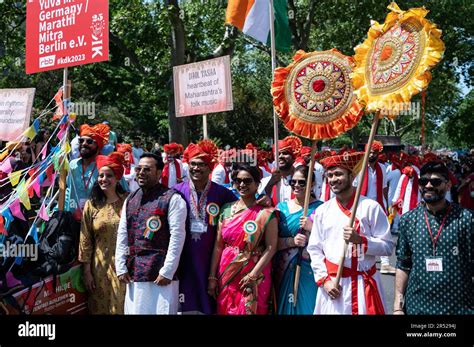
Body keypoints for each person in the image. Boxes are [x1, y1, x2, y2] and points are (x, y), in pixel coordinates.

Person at [307, 151, 394, 314]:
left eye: (338, 174)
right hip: (333, 285)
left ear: (352, 176)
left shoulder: (370, 207)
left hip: (363, 283)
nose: (333, 179)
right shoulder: (322, 211)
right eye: (330, 175)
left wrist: (361, 241)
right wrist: (324, 280)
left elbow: (388, 246)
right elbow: (314, 249)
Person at [393, 161, 474, 315]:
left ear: (448, 185)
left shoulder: (466, 219)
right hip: (417, 307)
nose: (428, 186)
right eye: (423, 181)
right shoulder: (408, 220)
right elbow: (403, 264)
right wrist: (398, 306)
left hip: (459, 308)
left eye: (435, 182)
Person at [115, 153, 187, 314]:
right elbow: (122, 234)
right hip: (134, 272)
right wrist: (120, 266)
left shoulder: (172, 199)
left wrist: (168, 270)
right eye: (138, 168)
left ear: (159, 172)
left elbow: (177, 237)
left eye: (147, 169)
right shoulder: (131, 199)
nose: (141, 172)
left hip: (161, 275)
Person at [174, 140, 237, 314]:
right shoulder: (176, 191)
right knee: (185, 301)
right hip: (184, 257)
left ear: (209, 168)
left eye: (201, 164)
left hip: (211, 258)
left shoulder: (223, 193)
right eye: (192, 164)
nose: (196, 168)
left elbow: (242, 212)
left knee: (209, 303)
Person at [208, 164, 278, 315]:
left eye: (247, 181)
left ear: (258, 183)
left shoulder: (266, 213)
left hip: (254, 271)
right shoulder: (226, 209)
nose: (241, 184)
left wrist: (254, 274)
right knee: (226, 308)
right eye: (237, 180)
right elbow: (218, 246)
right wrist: (212, 276)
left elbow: (271, 247)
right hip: (226, 270)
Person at [79, 152, 127, 314]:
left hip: (124, 268)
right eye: (101, 175)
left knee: (121, 307)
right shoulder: (92, 205)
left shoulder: (128, 202)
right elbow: (85, 239)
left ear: (118, 178)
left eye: (109, 175)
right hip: (99, 268)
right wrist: (87, 272)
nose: (104, 179)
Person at [274, 165, 322, 314]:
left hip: (309, 269)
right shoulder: (280, 208)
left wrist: (312, 228)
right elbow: (270, 243)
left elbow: (331, 242)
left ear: (312, 184)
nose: (296, 185)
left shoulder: (322, 209)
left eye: (302, 182)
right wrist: (291, 242)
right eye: (292, 181)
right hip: (283, 267)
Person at [354, 141, 394, 274]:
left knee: (382, 234)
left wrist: (386, 204)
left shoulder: (382, 168)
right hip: (361, 205)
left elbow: (384, 188)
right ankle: (359, 263)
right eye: (370, 152)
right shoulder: (359, 167)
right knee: (361, 233)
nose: (372, 155)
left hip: (378, 205)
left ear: (378, 154)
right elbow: (354, 188)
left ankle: (385, 264)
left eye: (374, 153)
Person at [67, 123, 110, 219]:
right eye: (81, 140)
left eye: (89, 141)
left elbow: (122, 193)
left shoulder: (106, 167)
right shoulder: (73, 164)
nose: (84, 144)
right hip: (72, 219)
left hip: (97, 221)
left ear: (98, 146)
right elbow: (69, 191)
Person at [259, 136, 302, 206]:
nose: (280, 156)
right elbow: (261, 204)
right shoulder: (266, 181)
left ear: (293, 157)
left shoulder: (302, 181)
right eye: (277, 154)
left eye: (285, 153)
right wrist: (270, 184)